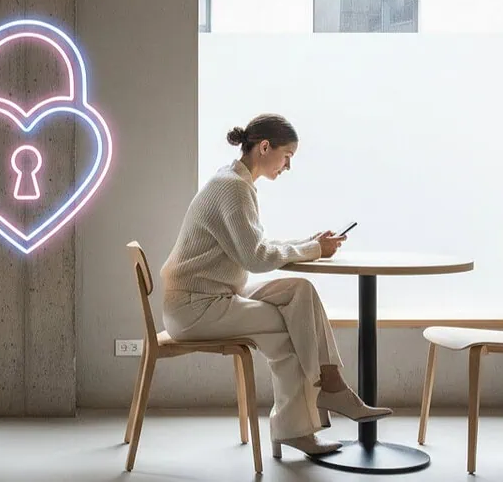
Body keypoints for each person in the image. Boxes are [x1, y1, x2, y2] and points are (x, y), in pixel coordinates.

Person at [159, 113, 392, 458]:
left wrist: (309, 243)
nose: (288, 166)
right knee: (289, 328)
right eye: (287, 156)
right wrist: (313, 249)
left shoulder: (236, 183)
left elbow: (255, 245)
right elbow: (255, 257)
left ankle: (332, 384)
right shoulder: (232, 188)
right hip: (195, 307)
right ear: (265, 147)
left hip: (215, 294)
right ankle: (297, 427)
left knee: (299, 291)